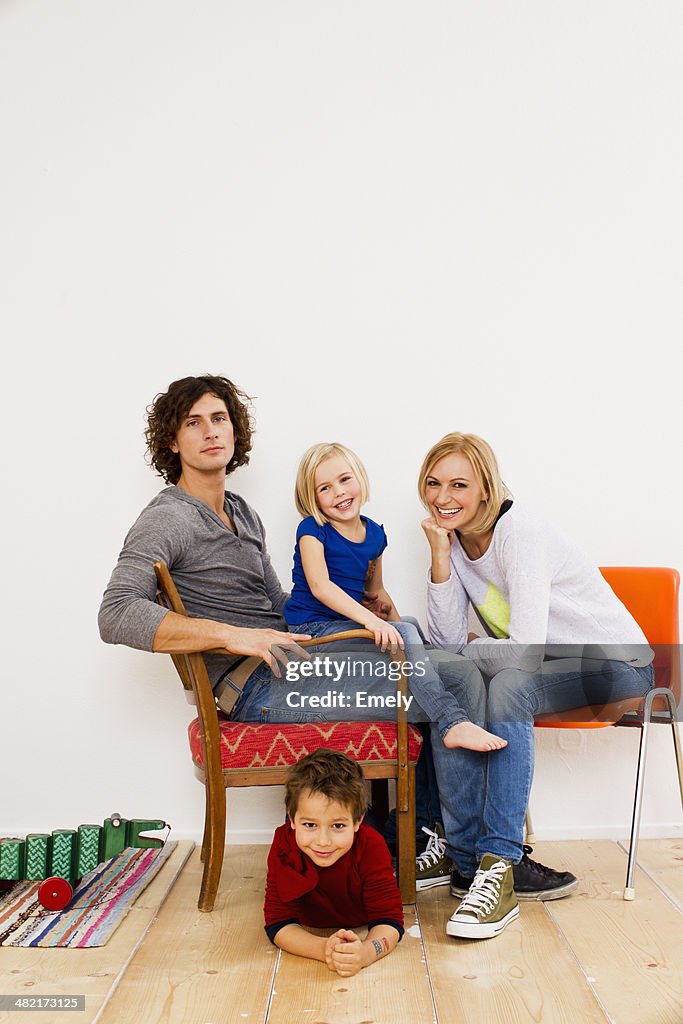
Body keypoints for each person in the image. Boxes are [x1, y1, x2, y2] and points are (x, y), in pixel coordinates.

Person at [417, 432, 654, 940]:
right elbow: (445, 640)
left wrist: (467, 650)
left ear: (486, 487)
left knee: (507, 684)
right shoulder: (455, 539)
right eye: (433, 483)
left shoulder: (520, 533)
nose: (442, 497)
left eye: (459, 484)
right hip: (548, 666)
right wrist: (440, 553)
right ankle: (464, 862)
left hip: (618, 665)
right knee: (454, 675)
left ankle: (500, 865)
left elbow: (522, 649)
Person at [282, 441, 505, 752]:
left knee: (408, 624)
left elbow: (375, 591)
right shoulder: (312, 530)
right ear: (312, 497)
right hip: (313, 633)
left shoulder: (374, 534)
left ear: (359, 478)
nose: (339, 493)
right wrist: (377, 625)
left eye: (345, 480)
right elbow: (321, 586)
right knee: (402, 632)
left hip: (347, 629)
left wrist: (395, 625)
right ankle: (451, 720)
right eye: (325, 488)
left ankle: (434, 676)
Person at [264, 749, 403, 975]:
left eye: (338, 826)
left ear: (357, 821)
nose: (323, 841)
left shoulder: (372, 846)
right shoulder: (283, 843)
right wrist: (323, 949)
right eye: (310, 825)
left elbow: (390, 921)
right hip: (309, 926)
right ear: (291, 818)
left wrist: (366, 952)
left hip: (361, 919)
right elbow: (278, 923)